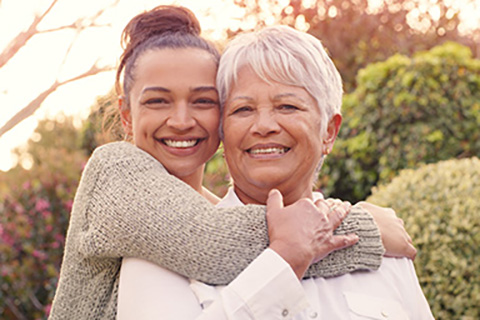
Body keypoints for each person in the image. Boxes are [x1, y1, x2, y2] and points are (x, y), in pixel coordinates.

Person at [50, 6, 413, 320]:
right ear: (126, 115)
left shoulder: (199, 209)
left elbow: (213, 222)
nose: (180, 120)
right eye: (157, 101)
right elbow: (211, 240)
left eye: (203, 101)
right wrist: (361, 229)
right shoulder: (116, 173)